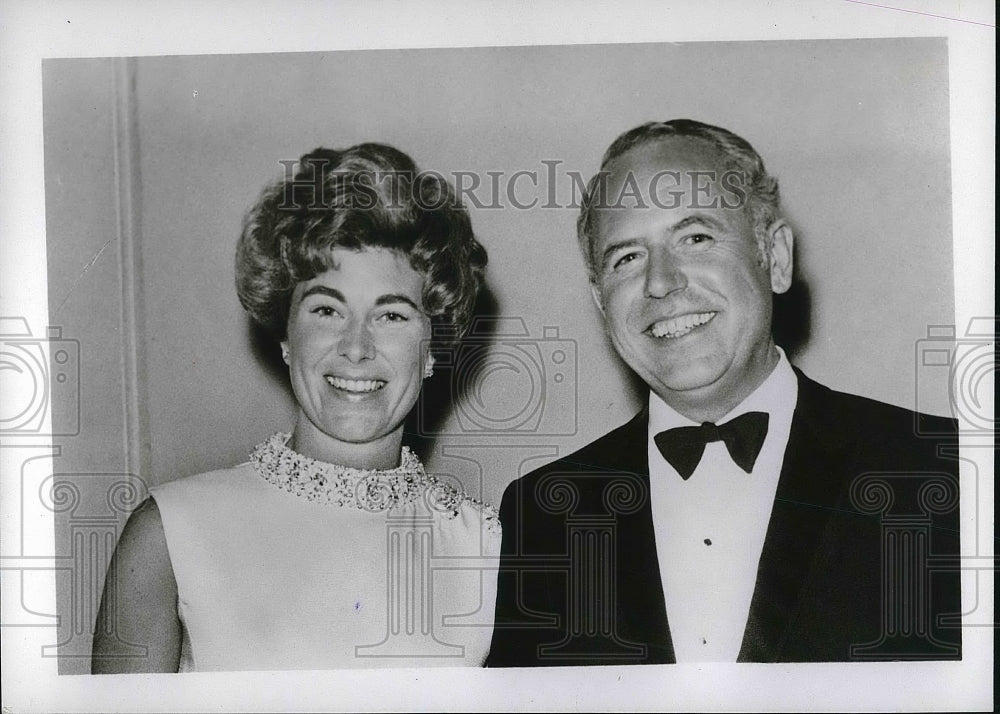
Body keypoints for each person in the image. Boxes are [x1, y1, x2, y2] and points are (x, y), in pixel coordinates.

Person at [487, 119, 962, 666]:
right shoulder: (540, 514)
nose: (661, 283)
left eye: (696, 237)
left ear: (775, 257)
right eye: (627, 258)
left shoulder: (940, 468)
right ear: (600, 300)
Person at [92, 143, 498, 672]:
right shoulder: (170, 533)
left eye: (392, 316)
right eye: (327, 309)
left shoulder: (488, 551)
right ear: (286, 334)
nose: (356, 347)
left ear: (433, 348)